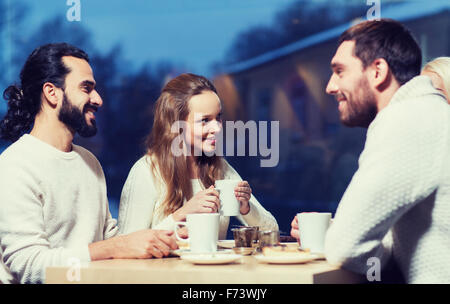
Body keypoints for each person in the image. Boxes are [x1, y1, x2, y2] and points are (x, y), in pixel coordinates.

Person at [0, 43, 177, 284]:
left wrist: (167, 234)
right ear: (52, 93)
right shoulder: (15, 165)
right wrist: (117, 246)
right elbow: (31, 267)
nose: (98, 99)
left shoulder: (89, 161)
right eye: (86, 88)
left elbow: (113, 243)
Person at [290, 19, 450, 283]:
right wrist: (342, 233)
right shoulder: (429, 113)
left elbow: (345, 247)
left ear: (378, 71)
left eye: (339, 71)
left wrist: (339, 237)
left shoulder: (405, 121)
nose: (330, 86)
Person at [118, 73, 278, 239]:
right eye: (205, 120)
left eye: (218, 117)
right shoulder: (146, 171)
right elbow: (126, 245)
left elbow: (272, 231)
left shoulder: (220, 168)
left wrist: (247, 208)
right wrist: (182, 213)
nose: (217, 128)